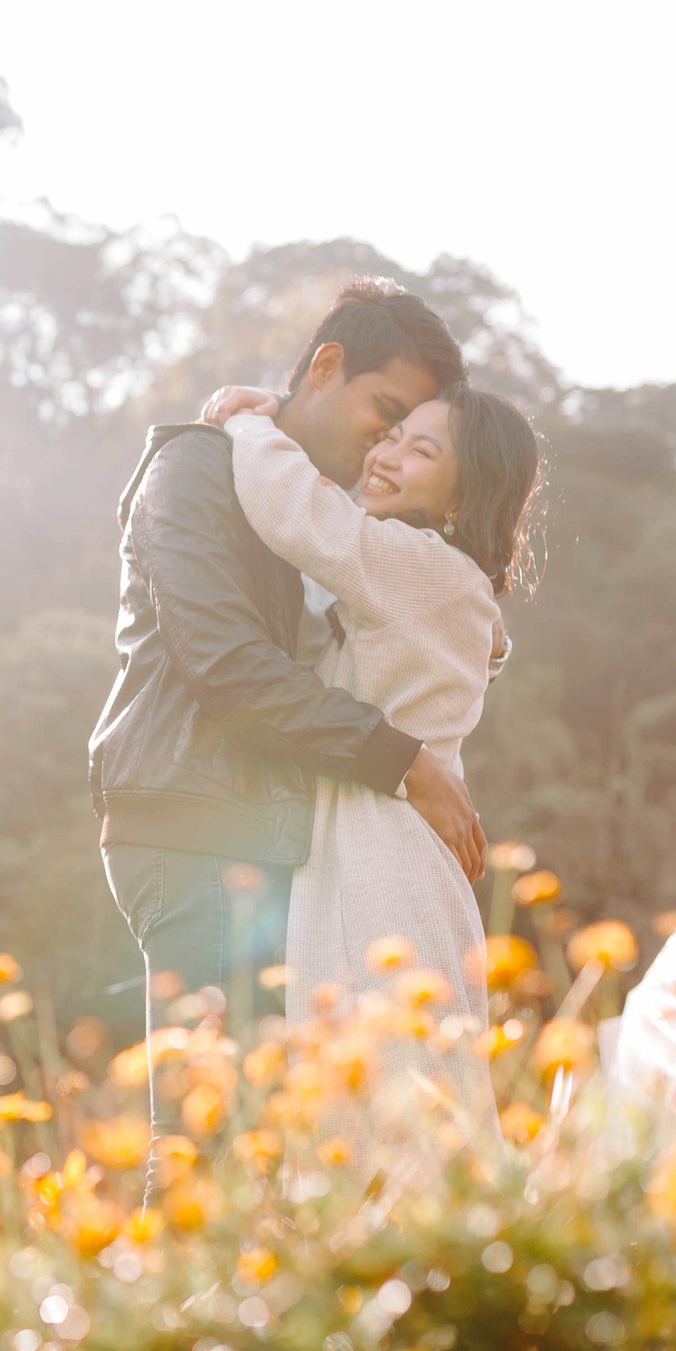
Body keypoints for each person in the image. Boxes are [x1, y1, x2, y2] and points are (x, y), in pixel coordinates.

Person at [87, 278, 481, 1179]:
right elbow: (226, 664)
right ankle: (167, 1318)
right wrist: (402, 758)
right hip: (194, 826)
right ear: (327, 366)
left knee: (256, 1146)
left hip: (253, 836)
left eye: (403, 436)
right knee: (206, 1144)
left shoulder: (289, 496)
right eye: (381, 414)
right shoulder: (195, 470)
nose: (380, 447)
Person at [199, 373, 543, 1140]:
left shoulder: (417, 566)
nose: (386, 453)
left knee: (391, 1090)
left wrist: (248, 423)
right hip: (385, 839)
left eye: (420, 449)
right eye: (390, 435)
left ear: (463, 497)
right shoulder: (433, 578)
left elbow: (298, 514)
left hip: (381, 849)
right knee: (395, 1089)